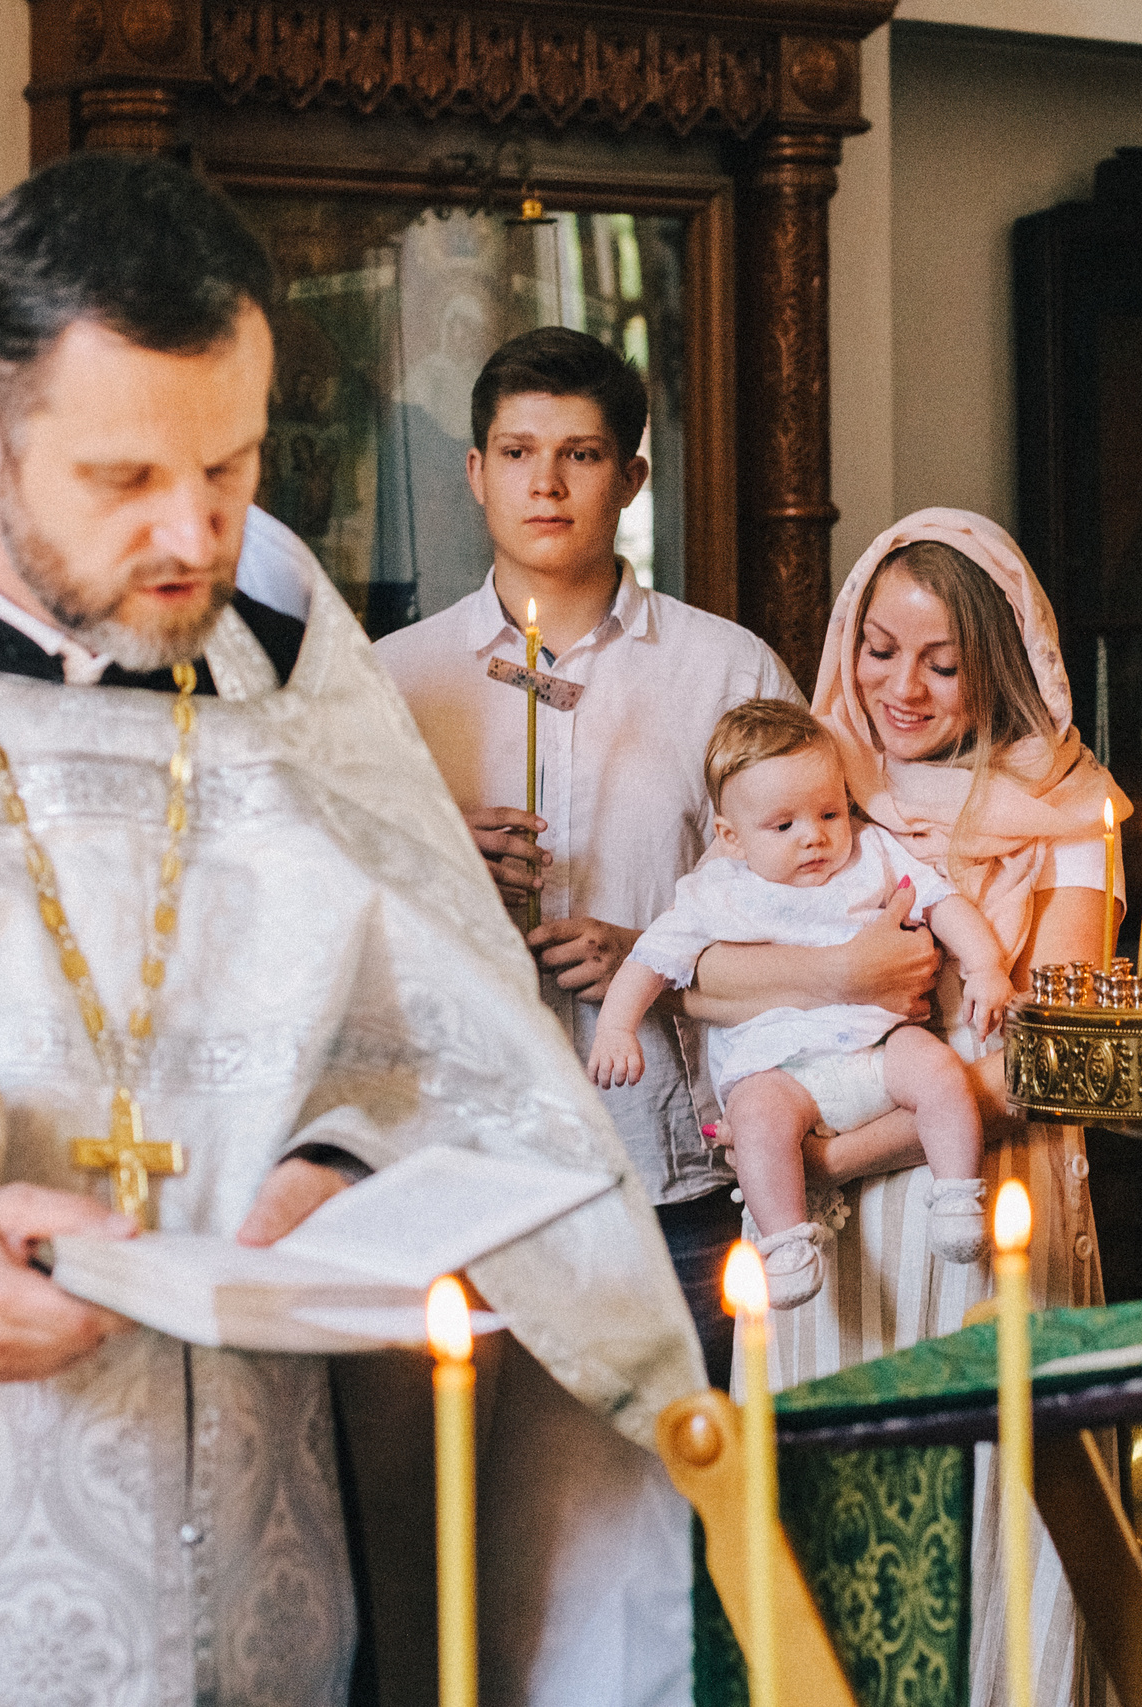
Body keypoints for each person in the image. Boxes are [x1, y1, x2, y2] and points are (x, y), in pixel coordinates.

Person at [0, 152, 701, 1707]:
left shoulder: (297, 698)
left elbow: (443, 1040)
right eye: (125, 478)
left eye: (229, 468)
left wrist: (341, 1163)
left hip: (259, 1518)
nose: (193, 537)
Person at [375, 325, 799, 1706]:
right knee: (466, 1544)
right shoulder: (390, 682)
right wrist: (433, 857)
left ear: (631, 476)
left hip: (660, 1161)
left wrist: (643, 956)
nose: (546, 484)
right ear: (474, 473)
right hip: (457, 1164)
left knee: (661, 1537)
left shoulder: (725, 671)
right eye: (517, 453)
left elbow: (815, 910)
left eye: (580, 454)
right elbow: (333, 930)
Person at [688, 509, 1128, 1706]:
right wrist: (838, 975)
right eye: (879, 651)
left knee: (997, 1510)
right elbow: (701, 970)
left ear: (1002, 659)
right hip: (821, 1244)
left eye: (941, 662)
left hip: (979, 1197)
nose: (900, 688)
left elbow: (1045, 1055)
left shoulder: (1073, 808)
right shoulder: (814, 780)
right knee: (834, 1527)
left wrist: (834, 1154)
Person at [589, 700, 1012, 1306]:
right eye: (783, 826)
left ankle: (957, 1196)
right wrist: (616, 1027)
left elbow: (942, 901)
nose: (814, 836)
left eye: (829, 813)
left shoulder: (872, 853)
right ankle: (785, 1243)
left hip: (876, 1045)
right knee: (756, 1121)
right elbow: (650, 960)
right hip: (777, 1071)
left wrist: (985, 966)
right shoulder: (717, 893)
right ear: (731, 837)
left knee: (941, 1072)